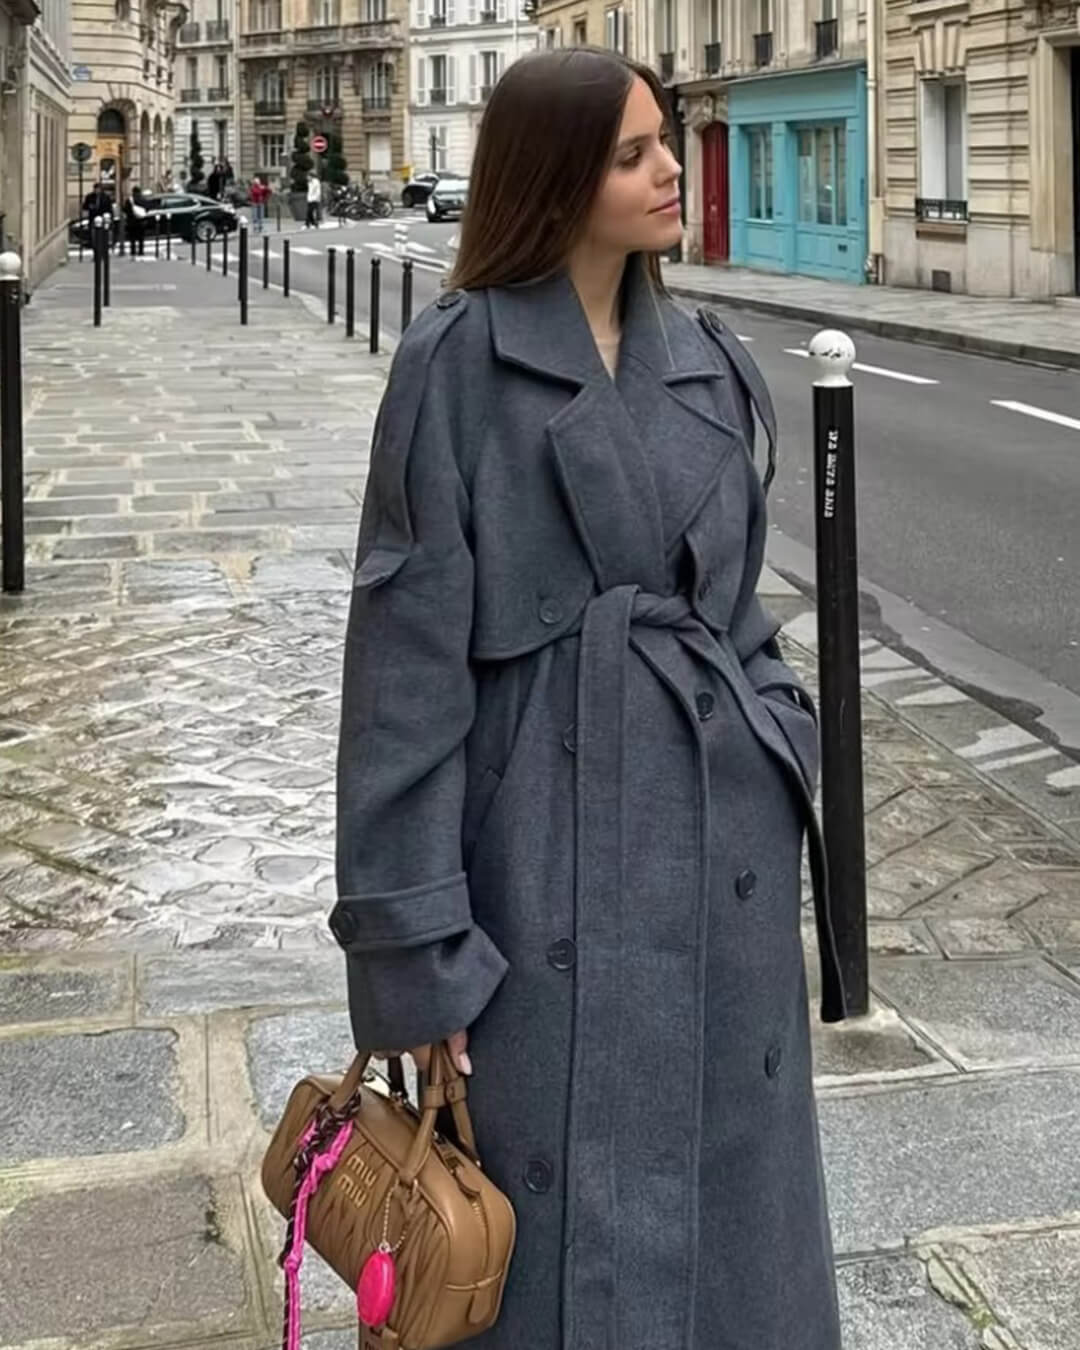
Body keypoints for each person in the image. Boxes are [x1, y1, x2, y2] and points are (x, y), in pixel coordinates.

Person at [333, 47, 848, 1350]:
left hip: (718, 864)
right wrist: (416, 954)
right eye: (633, 153)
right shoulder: (458, 367)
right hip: (538, 872)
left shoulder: (707, 360)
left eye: (663, 139)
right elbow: (403, 674)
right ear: (554, 179)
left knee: (731, 1239)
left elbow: (739, 609)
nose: (672, 168)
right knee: (562, 1248)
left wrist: (780, 740)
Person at [123, 185, 148, 256]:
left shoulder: (129, 200)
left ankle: (133, 251)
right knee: (141, 238)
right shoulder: (143, 199)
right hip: (141, 221)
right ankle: (141, 251)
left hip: (132, 222)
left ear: (133, 192)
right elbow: (147, 208)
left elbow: (126, 210)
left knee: (132, 238)